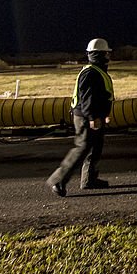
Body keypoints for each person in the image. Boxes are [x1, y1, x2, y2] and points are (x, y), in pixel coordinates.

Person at [47, 38, 115, 196]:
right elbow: (88, 99)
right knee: (82, 148)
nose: (109, 56)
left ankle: (89, 180)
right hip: (86, 117)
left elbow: (100, 97)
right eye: (106, 53)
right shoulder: (90, 73)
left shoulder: (97, 71)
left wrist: (103, 115)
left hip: (93, 116)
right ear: (100, 55)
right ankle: (58, 180)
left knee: (95, 147)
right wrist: (92, 117)